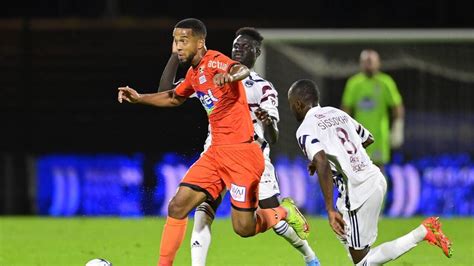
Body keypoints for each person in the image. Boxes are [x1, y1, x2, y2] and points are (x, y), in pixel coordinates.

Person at [117, 18, 309, 266]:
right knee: (177, 206)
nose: (177, 46)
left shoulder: (216, 61)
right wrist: (139, 98)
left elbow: (242, 70)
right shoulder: (194, 73)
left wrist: (230, 77)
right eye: (175, 41)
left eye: (183, 41)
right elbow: (174, 97)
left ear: (200, 43)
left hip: (243, 154)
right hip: (216, 154)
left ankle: (283, 211)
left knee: (244, 228)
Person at [288, 79, 452, 265]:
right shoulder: (337, 113)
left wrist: (329, 208)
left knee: (363, 262)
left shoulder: (305, 128)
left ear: (299, 104)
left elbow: (322, 162)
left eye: (291, 105)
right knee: (351, 246)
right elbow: (367, 138)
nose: (291, 110)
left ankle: (423, 231)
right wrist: (336, 159)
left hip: (359, 191)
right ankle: (421, 233)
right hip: (372, 177)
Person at [341, 49, 405, 174]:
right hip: (358, 137)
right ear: (360, 64)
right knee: (358, 170)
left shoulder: (385, 82)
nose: (368, 64)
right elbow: (346, 108)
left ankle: (381, 194)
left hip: (379, 137)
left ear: (378, 63)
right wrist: (345, 131)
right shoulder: (354, 83)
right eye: (365, 61)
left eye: (371, 61)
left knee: (378, 171)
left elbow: (397, 106)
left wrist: (398, 128)